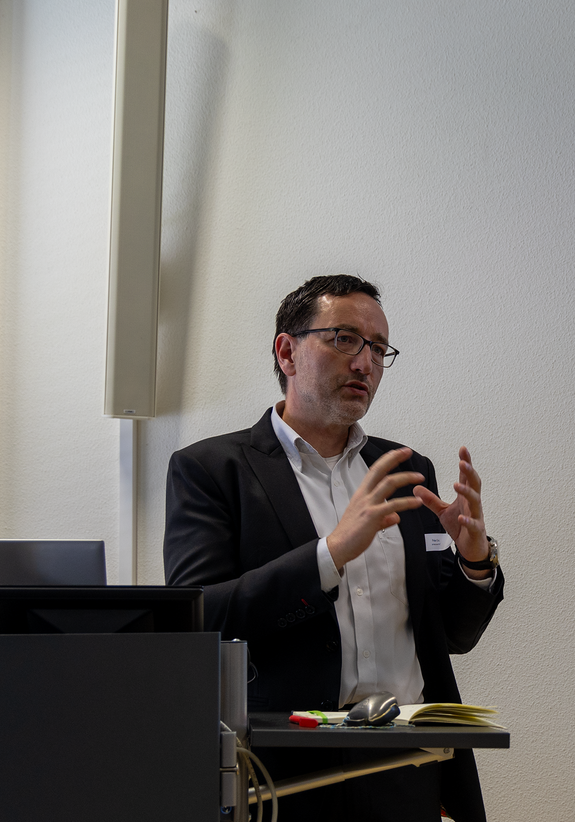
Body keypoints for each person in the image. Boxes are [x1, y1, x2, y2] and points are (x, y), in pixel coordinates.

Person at [164, 275, 504, 822]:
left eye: (378, 348)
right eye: (344, 339)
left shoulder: (406, 470)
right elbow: (200, 617)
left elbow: (453, 636)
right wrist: (330, 554)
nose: (364, 362)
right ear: (287, 350)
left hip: (405, 761)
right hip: (280, 770)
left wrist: (474, 562)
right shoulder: (211, 470)